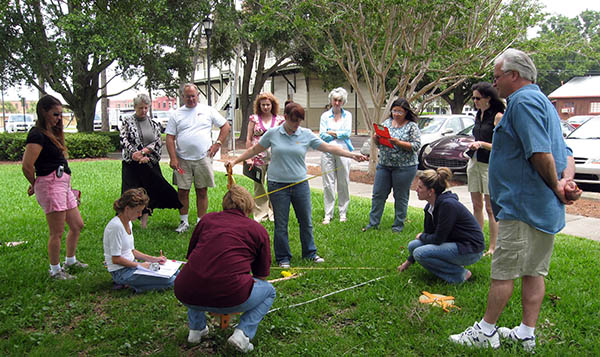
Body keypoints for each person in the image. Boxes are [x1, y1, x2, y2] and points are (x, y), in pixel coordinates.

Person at [449, 49, 582, 351]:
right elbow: (566, 152)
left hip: (522, 207)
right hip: (540, 207)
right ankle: (526, 333)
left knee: (502, 273)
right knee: (534, 271)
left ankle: (486, 331)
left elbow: (539, 153)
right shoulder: (543, 102)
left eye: (497, 75)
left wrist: (557, 186)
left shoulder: (523, 102)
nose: (494, 81)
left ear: (514, 75)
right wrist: (564, 183)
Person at [226, 103, 367, 268]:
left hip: (300, 184)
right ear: (285, 117)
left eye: (299, 121)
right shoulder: (273, 134)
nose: (296, 125)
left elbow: (328, 147)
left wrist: (352, 155)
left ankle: (310, 253)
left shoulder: (305, 134)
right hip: (277, 184)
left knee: (305, 221)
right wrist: (235, 161)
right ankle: (283, 258)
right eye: (293, 121)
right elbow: (254, 149)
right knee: (281, 223)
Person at [174, 185, 275, 353]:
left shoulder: (207, 220)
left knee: (198, 273)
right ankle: (242, 335)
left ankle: (196, 330)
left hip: (185, 291)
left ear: (225, 203)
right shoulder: (258, 230)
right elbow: (261, 276)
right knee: (269, 291)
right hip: (231, 294)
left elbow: (191, 255)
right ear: (248, 206)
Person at [22, 95, 86, 280]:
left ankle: (70, 260)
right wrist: (34, 184)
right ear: (43, 112)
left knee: (77, 225)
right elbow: (27, 166)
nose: (59, 118)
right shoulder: (37, 134)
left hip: (62, 183)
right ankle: (55, 270)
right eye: (55, 114)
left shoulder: (53, 133)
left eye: (61, 114)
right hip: (50, 184)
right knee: (56, 232)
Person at [397, 168, 484, 283]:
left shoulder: (448, 206)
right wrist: (407, 263)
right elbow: (429, 234)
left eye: (420, 187)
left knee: (420, 253)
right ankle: (454, 268)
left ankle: (460, 275)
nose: (416, 190)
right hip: (453, 243)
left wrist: (421, 236)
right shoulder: (429, 207)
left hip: (470, 249)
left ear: (431, 191)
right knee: (413, 245)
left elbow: (438, 239)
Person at [165, 83, 231, 233]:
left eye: (193, 96)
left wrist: (218, 144)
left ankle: (201, 223)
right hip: (182, 160)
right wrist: (173, 158)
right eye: (188, 96)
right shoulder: (176, 114)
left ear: (198, 96)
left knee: (202, 190)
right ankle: (184, 222)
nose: (191, 99)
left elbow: (225, 126)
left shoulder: (207, 110)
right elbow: (170, 138)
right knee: (183, 191)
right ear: (183, 97)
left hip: (203, 158)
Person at [120, 94, 182, 228]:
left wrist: (144, 153)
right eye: (140, 108)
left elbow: (157, 141)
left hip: (149, 163)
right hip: (131, 164)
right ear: (135, 107)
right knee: (129, 192)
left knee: (148, 192)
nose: (143, 111)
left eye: (145, 108)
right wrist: (135, 154)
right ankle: (126, 222)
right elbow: (124, 139)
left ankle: (144, 224)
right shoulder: (127, 121)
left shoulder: (153, 123)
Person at [363, 98, 421, 233]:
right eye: (394, 111)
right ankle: (373, 223)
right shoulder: (387, 124)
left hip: (405, 167)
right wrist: (376, 139)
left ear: (406, 112)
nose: (396, 114)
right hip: (384, 165)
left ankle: (398, 226)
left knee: (400, 196)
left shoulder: (411, 126)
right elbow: (379, 144)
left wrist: (398, 142)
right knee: (378, 194)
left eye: (400, 112)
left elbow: (416, 146)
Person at [103, 188, 177, 293]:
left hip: (131, 266)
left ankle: (138, 284)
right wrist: (140, 265)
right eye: (138, 211)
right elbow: (116, 259)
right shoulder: (116, 227)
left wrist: (153, 259)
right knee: (171, 281)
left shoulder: (128, 223)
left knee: (175, 272)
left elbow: (131, 250)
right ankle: (134, 286)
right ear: (127, 208)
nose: (139, 215)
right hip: (121, 272)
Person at [467, 82, 504, 255]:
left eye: (478, 98)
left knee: (490, 208)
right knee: (476, 205)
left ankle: (493, 247)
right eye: (473, 98)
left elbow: (501, 145)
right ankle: (477, 242)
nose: (475, 101)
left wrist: (481, 144)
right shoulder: (477, 115)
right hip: (474, 162)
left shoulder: (497, 116)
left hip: (490, 165)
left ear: (488, 98)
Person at [245, 92, 284, 222]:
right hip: (257, 158)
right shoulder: (254, 119)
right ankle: (261, 213)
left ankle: (273, 212)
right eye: (263, 105)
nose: (266, 107)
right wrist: (248, 158)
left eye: (268, 105)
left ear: (273, 105)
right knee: (259, 186)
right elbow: (249, 139)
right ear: (259, 105)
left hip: (275, 158)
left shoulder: (279, 120)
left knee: (274, 185)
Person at [319, 87, 354, 224]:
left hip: (344, 150)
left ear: (343, 101)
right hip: (327, 150)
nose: (337, 103)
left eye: (340, 100)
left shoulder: (348, 115)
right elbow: (322, 134)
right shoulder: (325, 116)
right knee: (328, 183)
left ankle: (342, 213)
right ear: (331, 100)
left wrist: (332, 132)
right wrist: (337, 133)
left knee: (343, 182)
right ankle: (328, 214)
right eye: (335, 100)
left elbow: (347, 133)